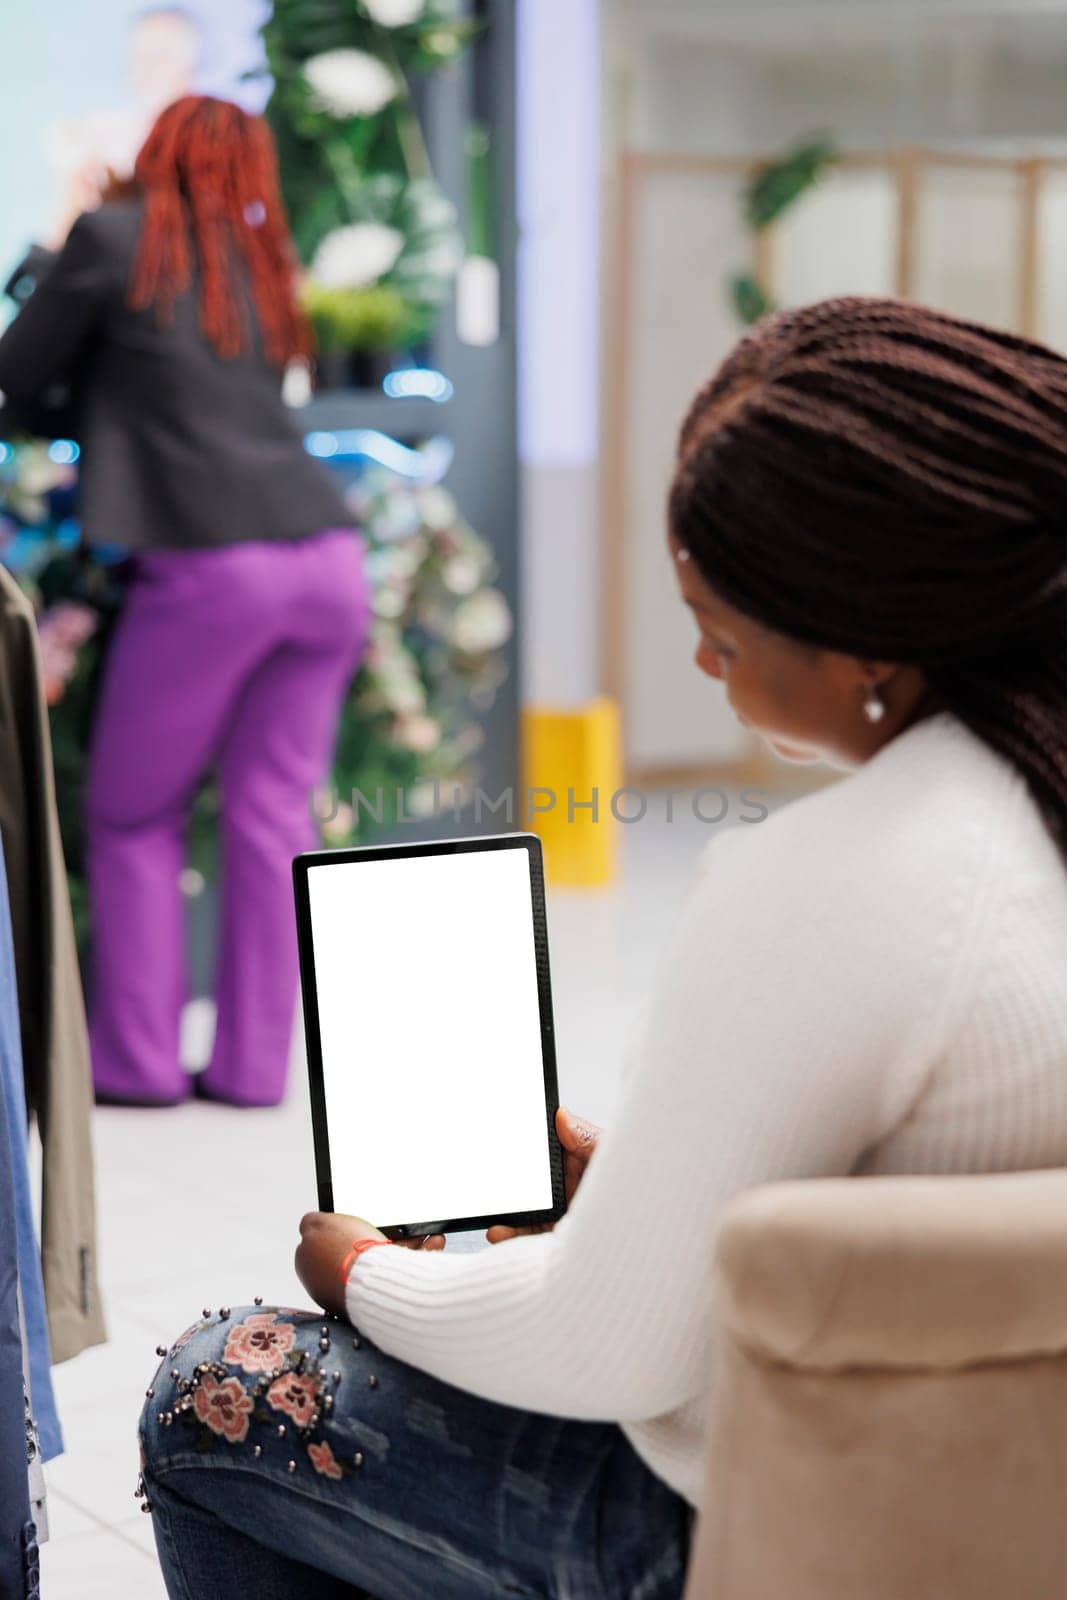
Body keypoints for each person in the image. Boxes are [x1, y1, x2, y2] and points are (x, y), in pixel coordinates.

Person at [137, 296, 1067, 1596]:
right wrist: (640, 1179)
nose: (697, 659)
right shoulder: (1023, 815)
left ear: (869, 634)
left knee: (214, 1386)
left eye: (721, 631)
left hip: (763, 1528)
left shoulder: (841, 876)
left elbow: (612, 1346)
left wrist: (363, 1280)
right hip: (1012, 1508)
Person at [0, 96, 373, 1108]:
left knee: (132, 818)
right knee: (270, 820)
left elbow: (12, 374)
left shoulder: (111, 240)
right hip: (330, 561)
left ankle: (138, 1063)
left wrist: (46, 246)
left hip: (216, 568)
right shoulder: (259, 264)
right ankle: (253, 1069)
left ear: (153, 155)